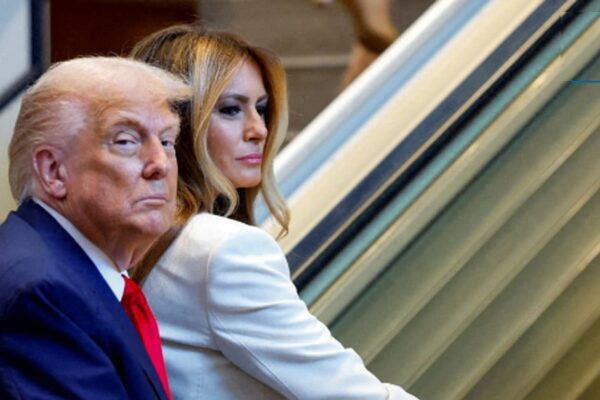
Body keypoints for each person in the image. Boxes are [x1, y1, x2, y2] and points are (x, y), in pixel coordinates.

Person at [130, 25, 418, 399]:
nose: (259, 130)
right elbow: (348, 394)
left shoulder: (136, 236)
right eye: (231, 109)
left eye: (262, 109)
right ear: (175, 125)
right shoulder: (222, 249)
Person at [0, 57, 190, 399]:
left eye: (166, 141)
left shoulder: (67, 267)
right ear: (53, 171)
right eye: (126, 141)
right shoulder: (41, 292)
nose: (160, 164)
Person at [314, 0, 399, 88]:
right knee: (352, 86)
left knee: (355, 87)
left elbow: (320, 2)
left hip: (377, 41)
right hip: (372, 40)